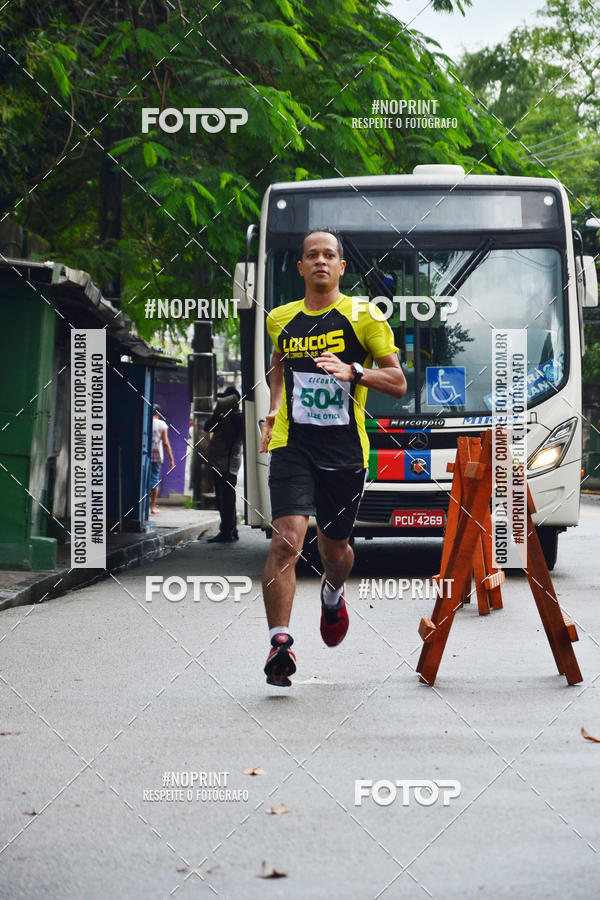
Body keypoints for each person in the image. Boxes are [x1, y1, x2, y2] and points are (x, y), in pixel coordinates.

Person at [259, 228, 407, 686]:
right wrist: (274, 407)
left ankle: (333, 591)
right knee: (287, 539)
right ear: (301, 268)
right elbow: (278, 366)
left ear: (341, 267)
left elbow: (398, 382)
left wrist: (355, 371)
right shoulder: (280, 318)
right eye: (311, 255)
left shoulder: (363, 315)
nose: (320, 261)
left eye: (329, 255)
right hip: (292, 443)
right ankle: (280, 644)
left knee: (335, 549)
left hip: (344, 450)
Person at [204, 386, 243, 543]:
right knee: (221, 499)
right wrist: (217, 413)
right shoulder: (221, 416)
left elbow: (229, 436)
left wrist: (226, 416)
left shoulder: (238, 418)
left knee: (227, 500)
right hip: (218, 463)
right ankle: (230, 530)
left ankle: (227, 532)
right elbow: (207, 427)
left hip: (228, 465)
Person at [150, 405, 175, 514]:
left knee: (142, 480)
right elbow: (165, 443)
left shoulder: (144, 422)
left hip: (143, 456)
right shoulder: (162, 424)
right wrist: (171, 459)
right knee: (154, 481)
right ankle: (152, 507)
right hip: (156, 456)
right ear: (158, 413)